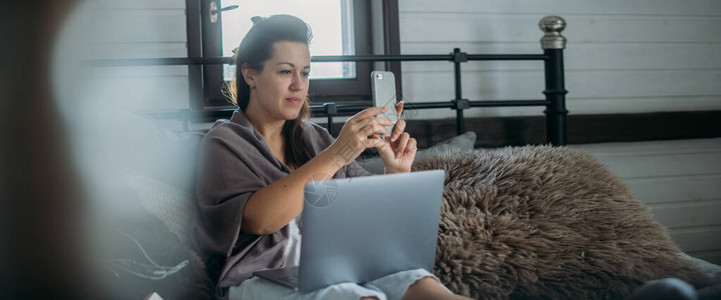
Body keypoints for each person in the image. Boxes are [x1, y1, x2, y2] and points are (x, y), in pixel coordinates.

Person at [195, 14, 472, 300]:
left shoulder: (315, 139)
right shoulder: (225, 141)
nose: (298, 86)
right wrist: (338, 153)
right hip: (262, 275)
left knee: (421, 284)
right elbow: (260, 220)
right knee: (352, 296)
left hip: (339, 266)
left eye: (305, 73)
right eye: (285, 72)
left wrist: (396, 171)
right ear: (250, 74)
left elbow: (368, 216)